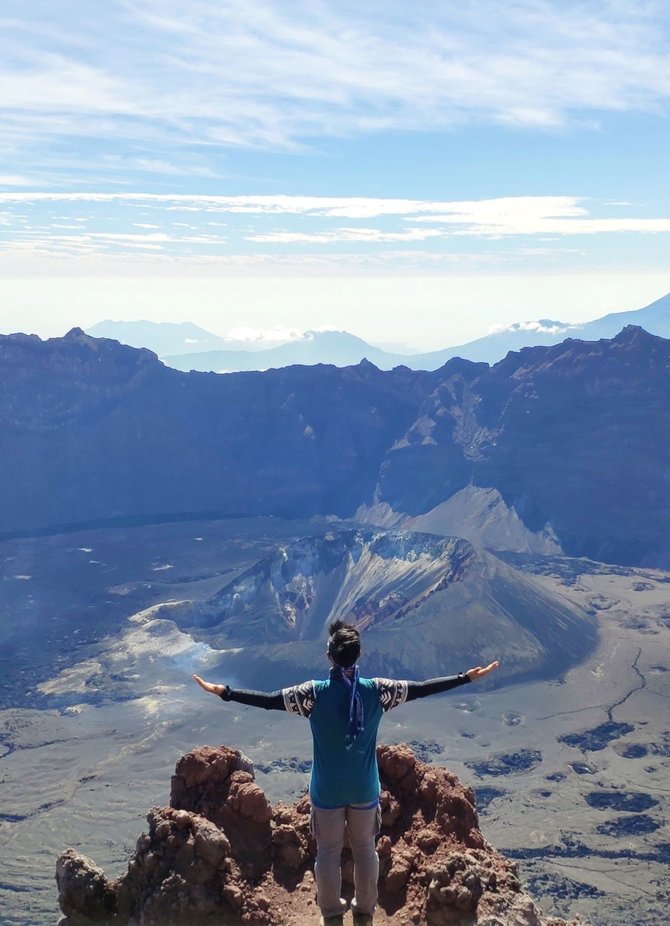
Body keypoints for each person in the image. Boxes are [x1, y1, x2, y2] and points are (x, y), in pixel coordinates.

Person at [194, 620, 499, 926]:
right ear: (358, 655)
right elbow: (421, 690)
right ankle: (364, 913)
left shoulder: (311, 695)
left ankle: (331, 915)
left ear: (329, 656)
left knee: (326, 853)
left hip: (326, 791)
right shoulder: (379, 691)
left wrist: (225, 692)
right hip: (364, 790)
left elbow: (269, 700)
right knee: (366, 850)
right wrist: (465, 678)